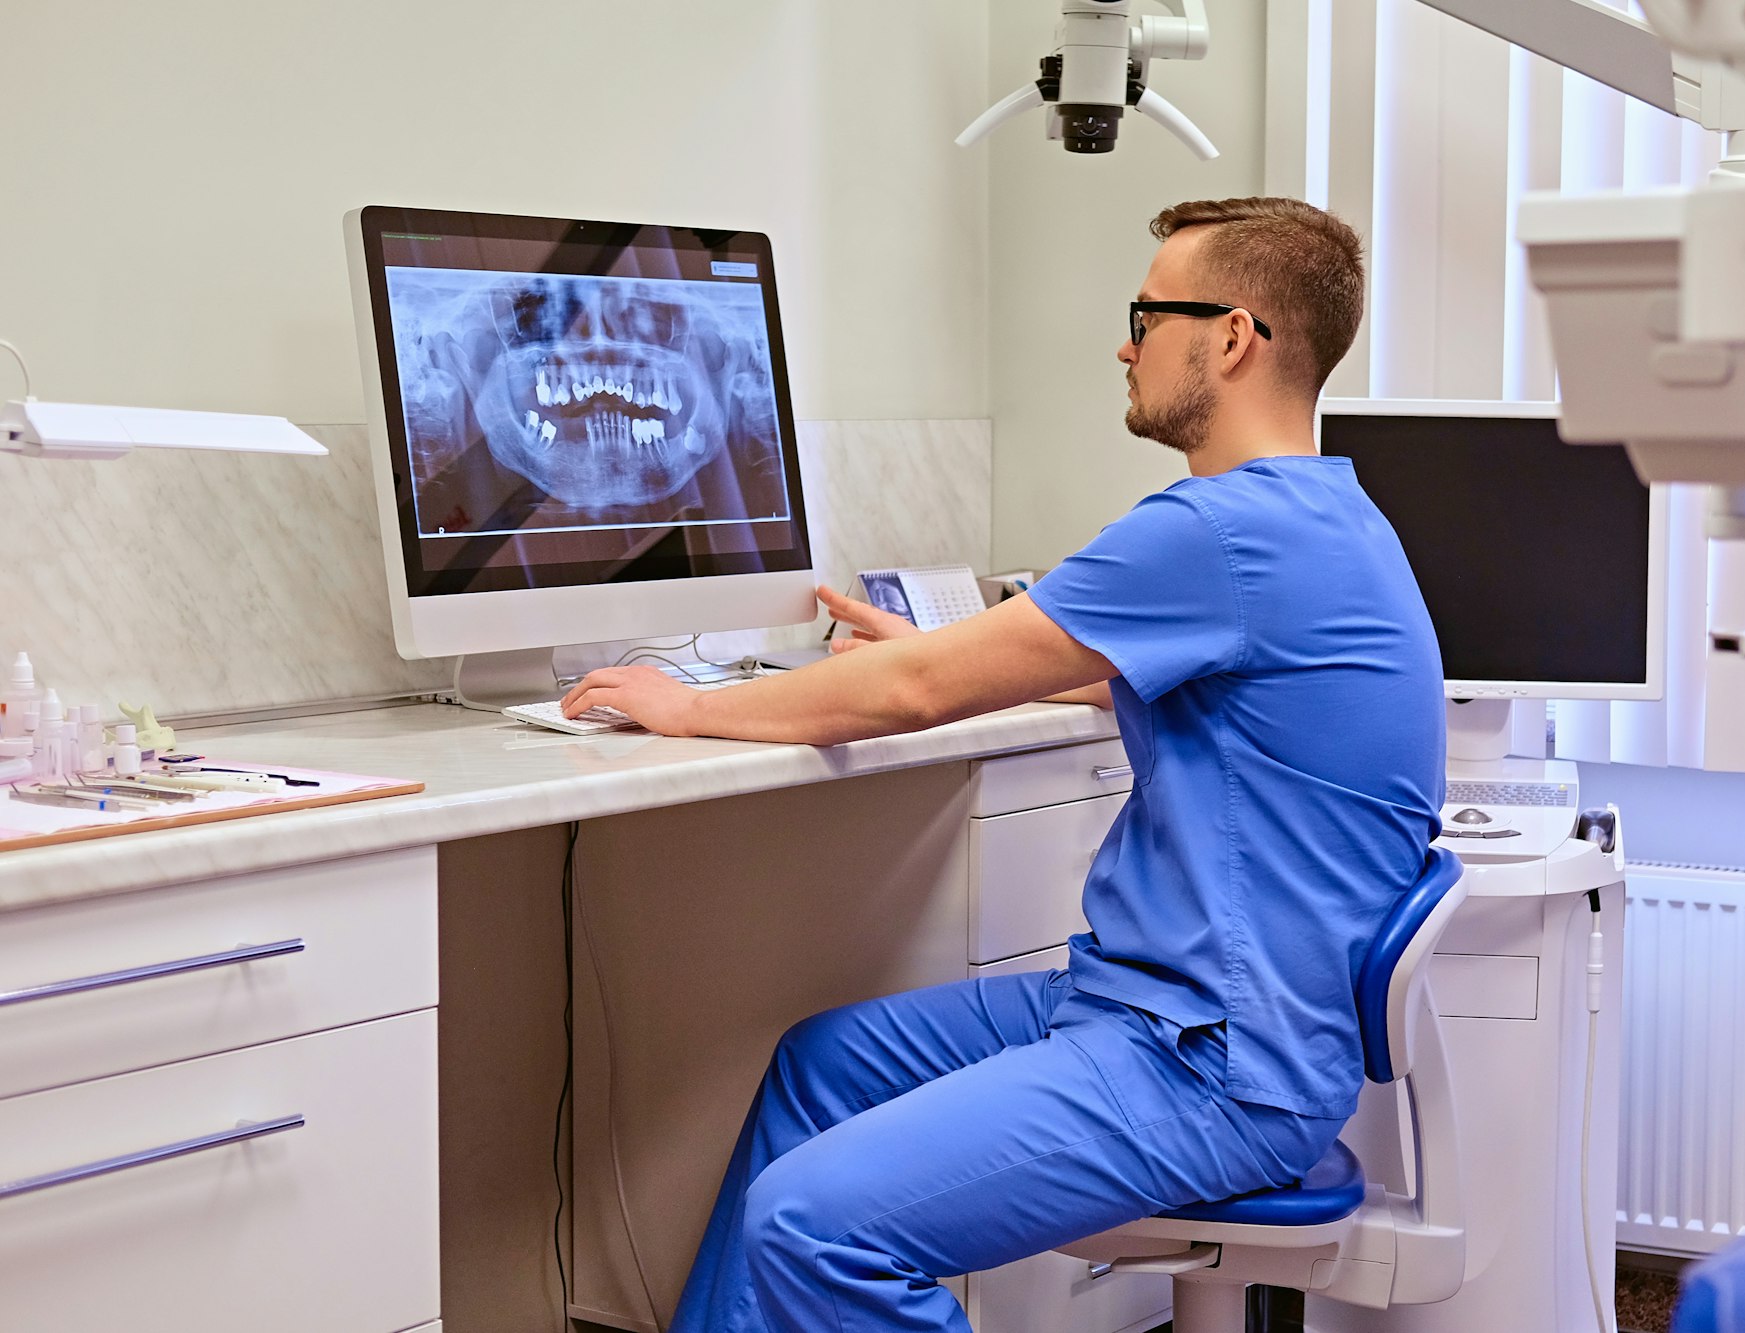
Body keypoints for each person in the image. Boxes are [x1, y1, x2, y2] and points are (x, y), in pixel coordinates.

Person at [561, 196, 1445, 1333]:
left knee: (812, 1221)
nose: (1125, 343)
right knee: (818, 1065)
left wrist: (686, 708)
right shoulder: (1330, 517)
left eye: (1146, 312)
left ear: (1229, 336)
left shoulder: (1214, 530)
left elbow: (914, 695)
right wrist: (939, 653)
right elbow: (1176, 680)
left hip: (1212, 1062)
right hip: (1169, 1011)